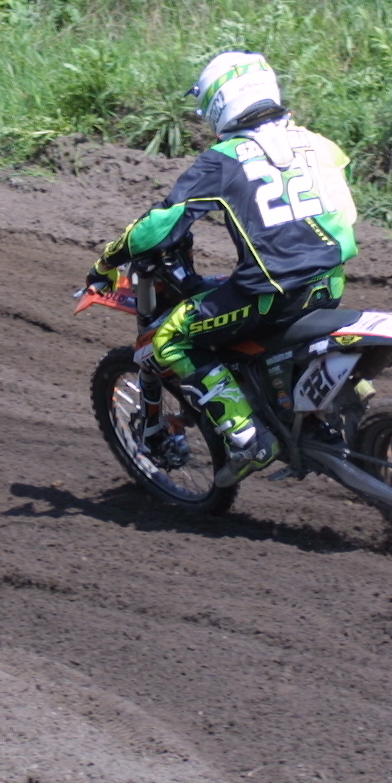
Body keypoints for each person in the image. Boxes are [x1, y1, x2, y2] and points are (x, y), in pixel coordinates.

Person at [92, 53, 359, 487]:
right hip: (330, 283)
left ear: (219, 103)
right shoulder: (316, 142)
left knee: (170, 338)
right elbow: (346, 213)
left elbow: (160, 226)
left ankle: (248, 438)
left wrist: (108, 259)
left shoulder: (223, 159)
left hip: (272, 297)